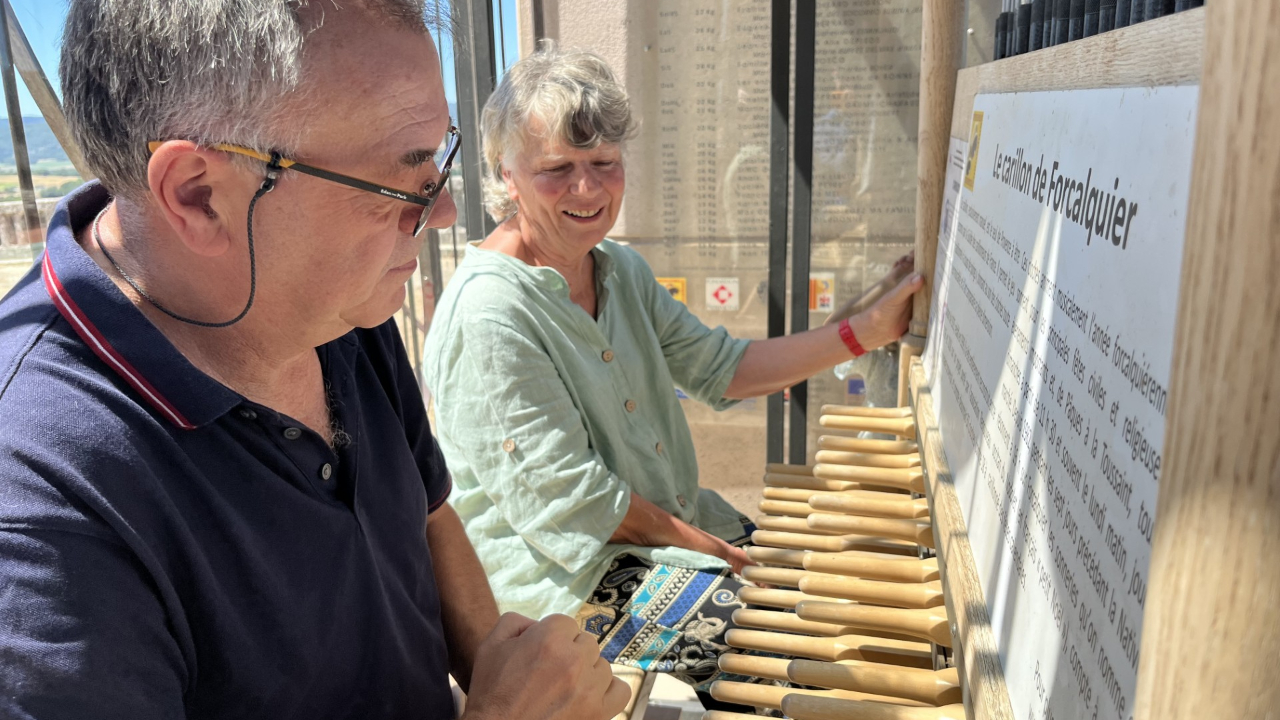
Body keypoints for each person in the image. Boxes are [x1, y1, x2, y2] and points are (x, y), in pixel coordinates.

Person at [0, 3, 626, 720]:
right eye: (404, 181)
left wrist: (500, 665)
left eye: (440, 157)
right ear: (198, 195)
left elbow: (425, 514)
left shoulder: (326, 304)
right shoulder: (40, 514)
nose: (444, 210)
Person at [421, 45, 922, 711]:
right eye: (557, 170)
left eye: (604, 163)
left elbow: (724, 369)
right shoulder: (490, 314)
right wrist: (717, 552)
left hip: (656, 533)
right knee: (784, 650)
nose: (588, 189)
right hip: (562, 588)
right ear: (506, 175)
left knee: (823, 593)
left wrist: (862, 332)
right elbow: (582, 507)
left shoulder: (618, 269)